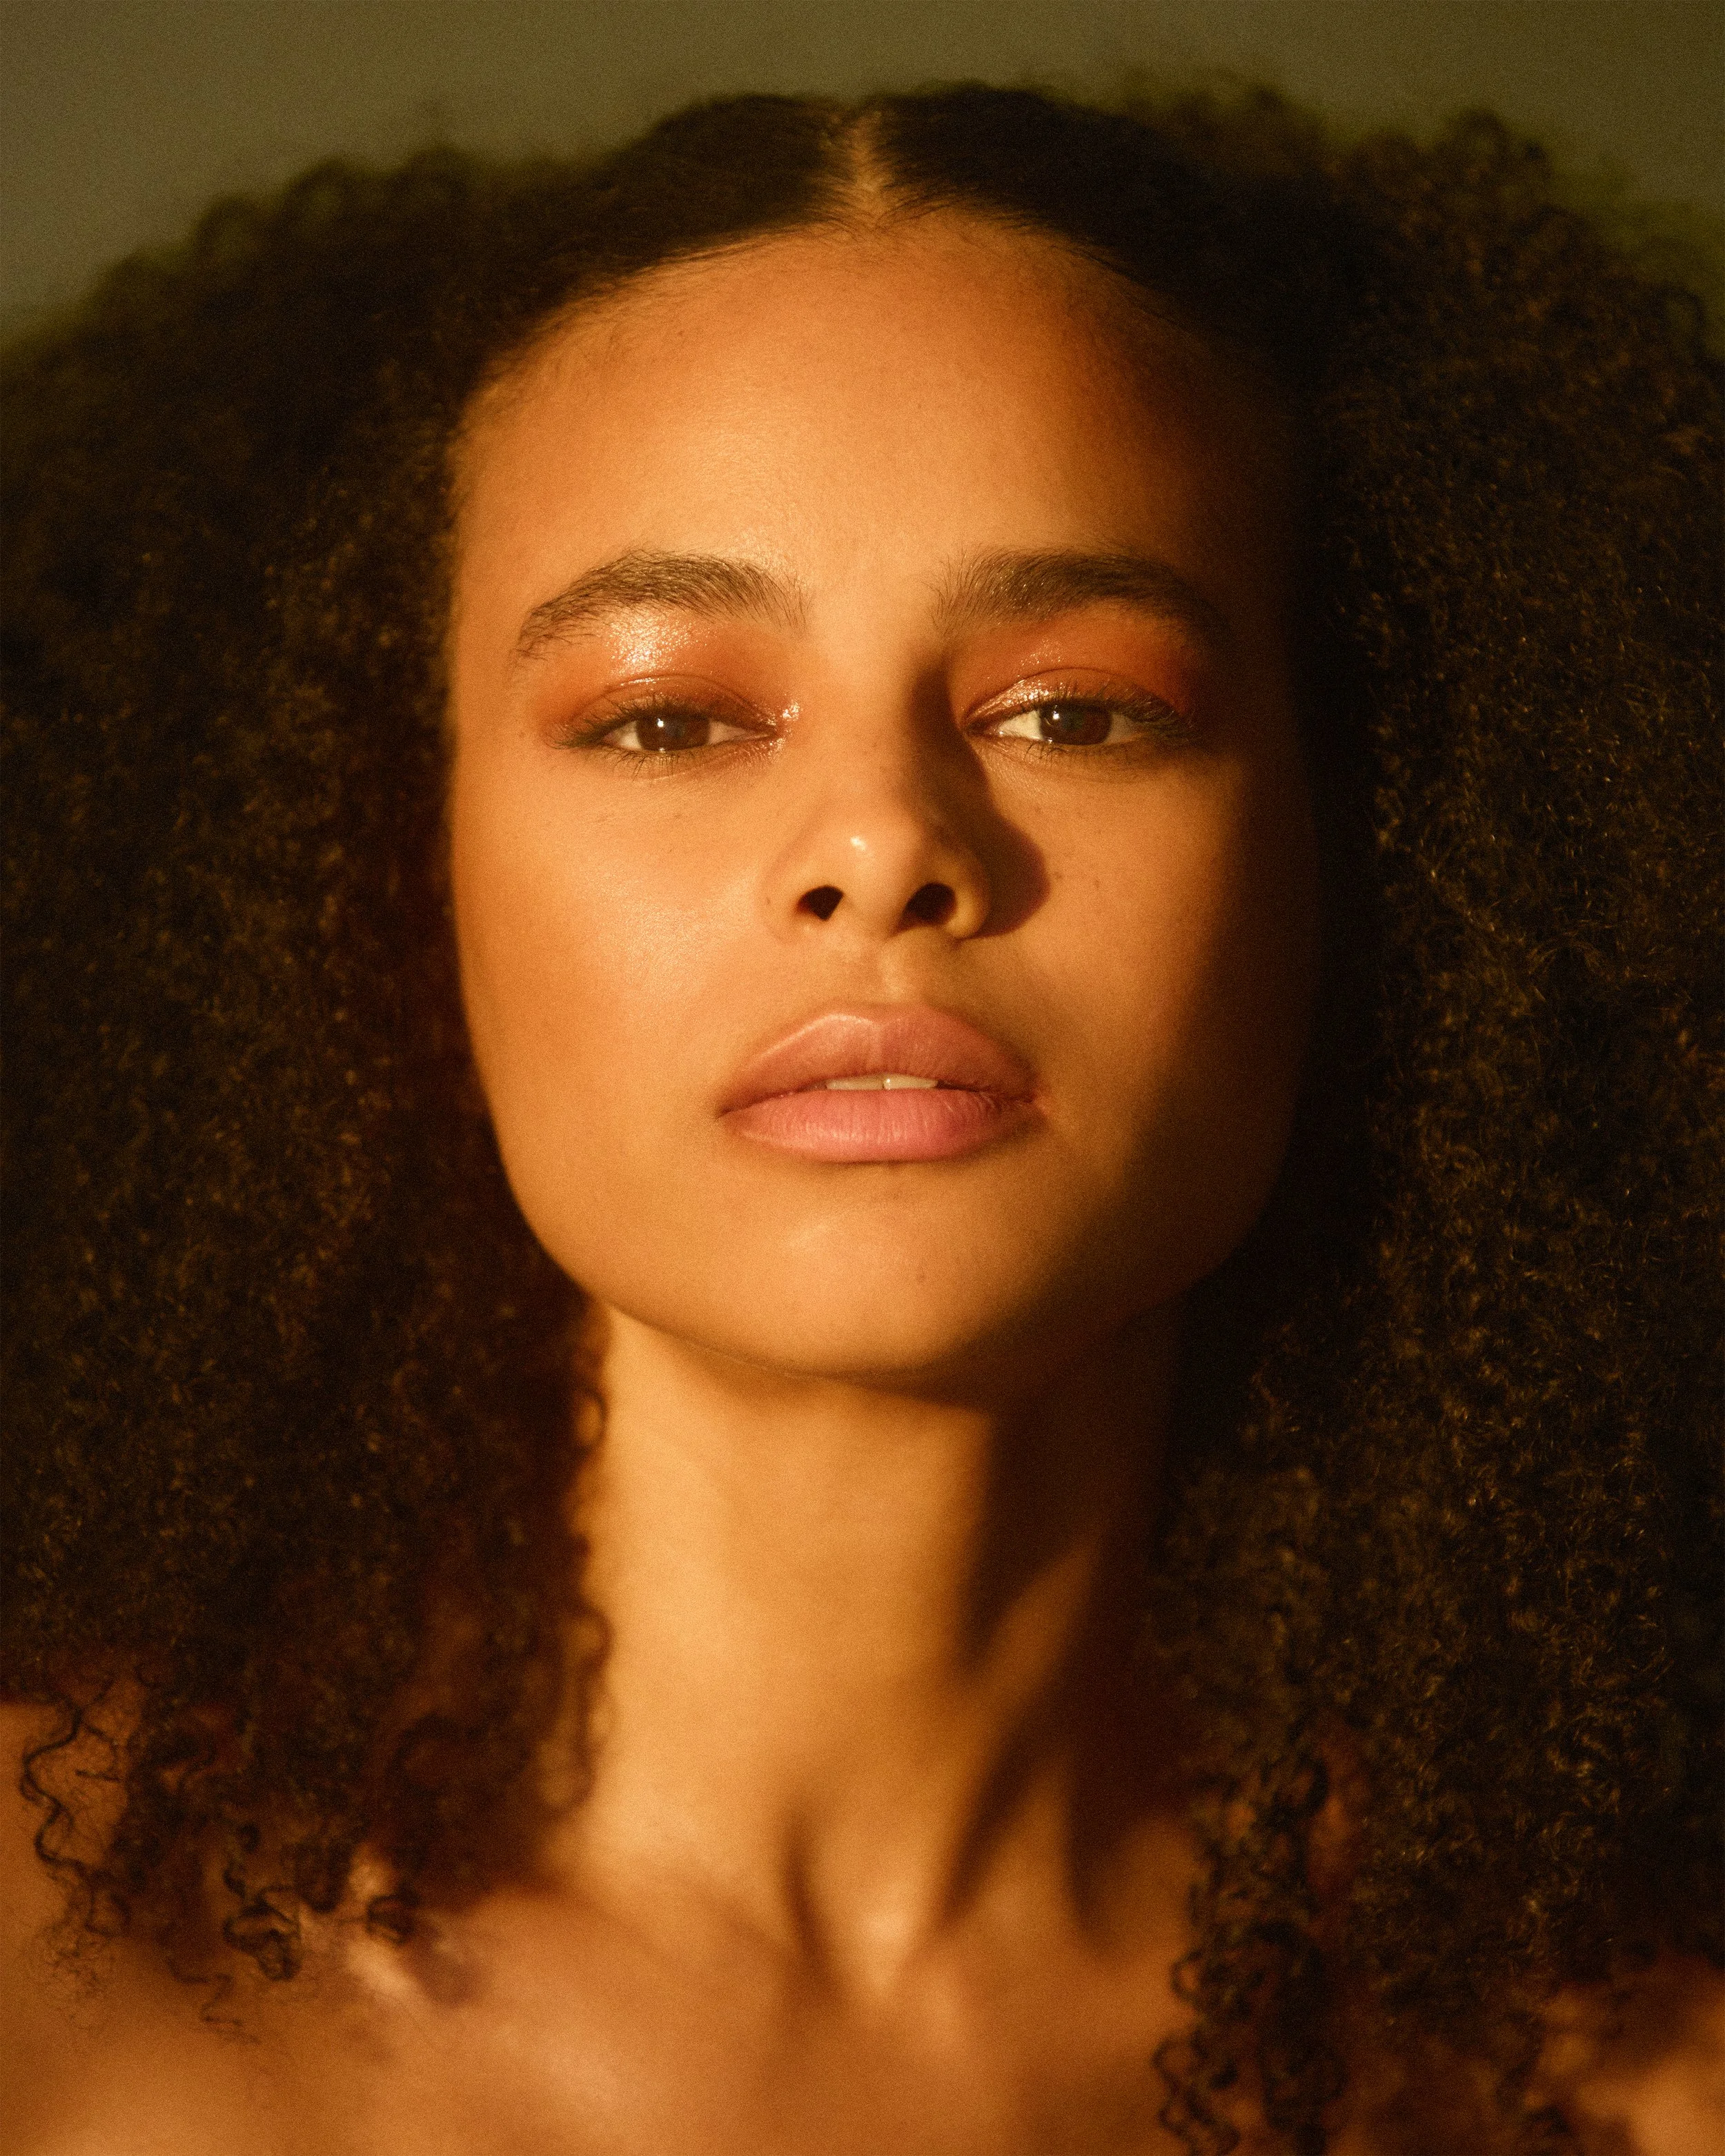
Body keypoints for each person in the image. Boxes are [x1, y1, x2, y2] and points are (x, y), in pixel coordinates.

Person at [1, 83, 1718, 2156]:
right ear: (383, 855)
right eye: (666, 718)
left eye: (1075, 708)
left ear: (1378, 842)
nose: (886, 842)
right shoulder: (41, 1995)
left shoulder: (1623, 2071)